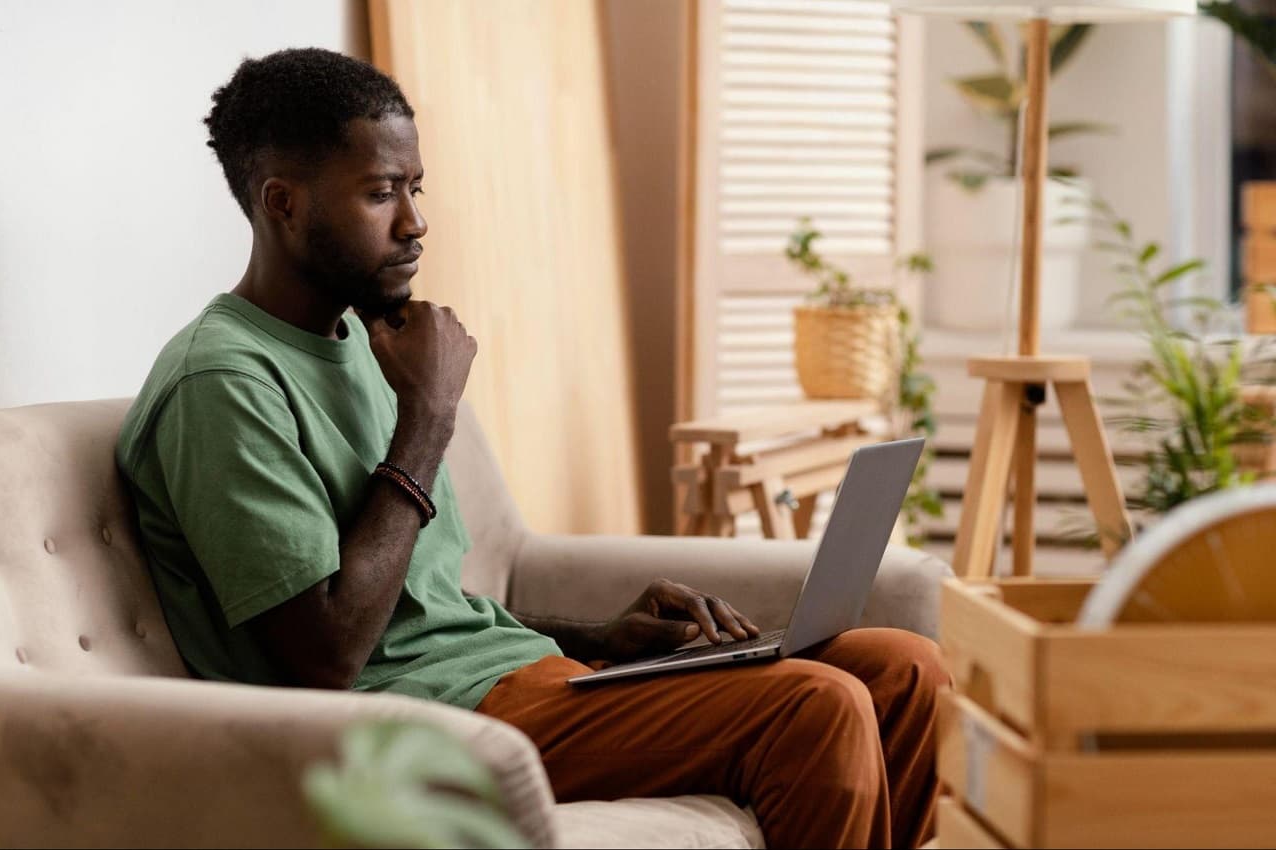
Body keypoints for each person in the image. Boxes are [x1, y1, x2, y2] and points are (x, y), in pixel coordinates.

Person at [116, 47, 948, 849]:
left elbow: (423, 612)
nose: (416, 223)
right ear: (282, 203)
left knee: (905, 670)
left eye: (415, 186)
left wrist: (596, 636)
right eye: (379, 193)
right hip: (416, 731)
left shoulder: (363, 343)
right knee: (818, 707)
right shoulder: (224, 382)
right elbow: (327, 661)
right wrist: (430, 417)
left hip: (512, 683)